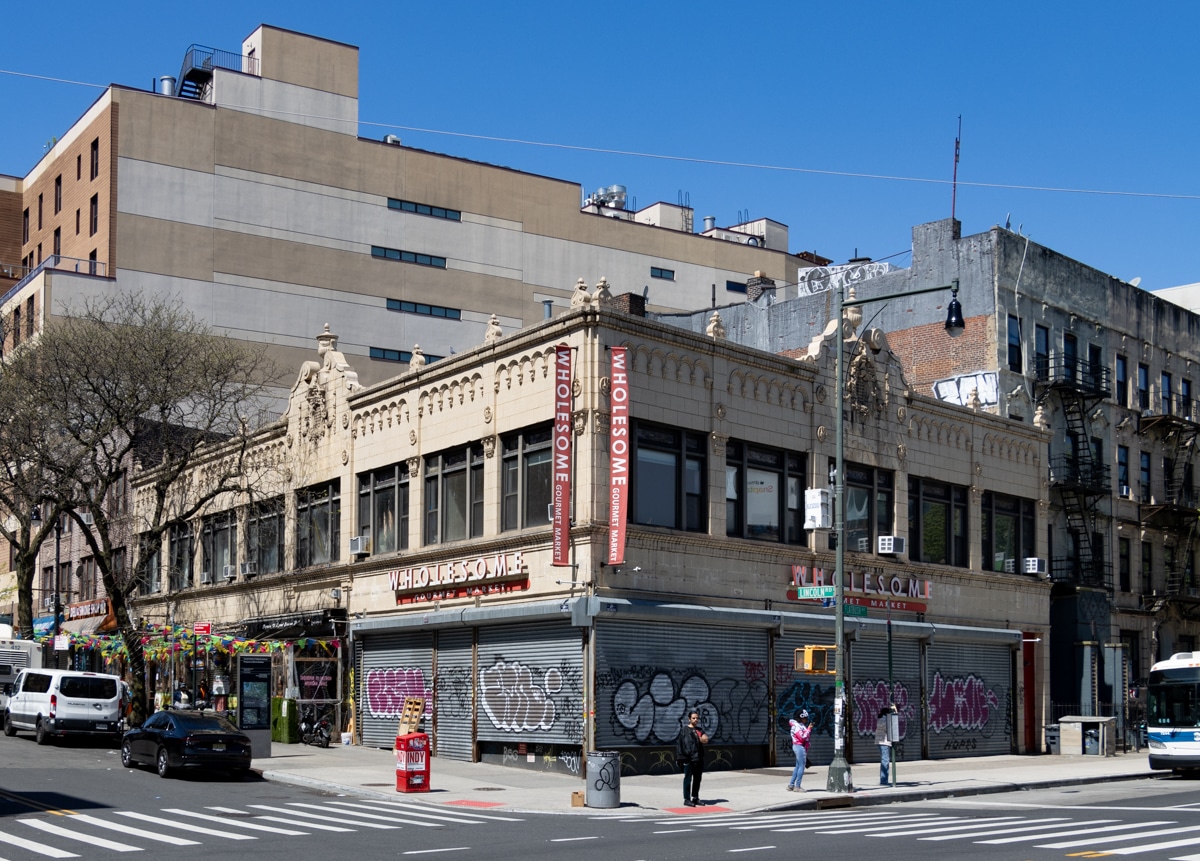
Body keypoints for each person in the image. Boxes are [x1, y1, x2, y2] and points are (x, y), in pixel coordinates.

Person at [676, 710, 709, 807]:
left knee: (697, 779)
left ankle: (695, 797)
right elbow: (680, 745)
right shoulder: (684, 730)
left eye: (697, 718)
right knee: (688, 779)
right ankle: (686, 799)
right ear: (689, 719)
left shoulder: (699, 730)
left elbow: (705, 739)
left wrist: (700, 736)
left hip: (698, 758)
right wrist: (680, 758)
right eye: (693, 718)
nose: (696, 720)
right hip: (688, 759)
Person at [787, 710, 812, 791]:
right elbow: (802, 737)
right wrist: (809, 729)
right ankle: (797, 786)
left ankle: (791, 785)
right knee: (801, 766)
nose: (806, 719)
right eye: (805, 718)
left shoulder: (798, 725)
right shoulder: (797, 726)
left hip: (798, 746)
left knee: (798, 766)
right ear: (801, 718)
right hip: (799, 746)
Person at [875, 706, 894, 785]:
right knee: (885, 761)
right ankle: (884, 780)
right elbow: (889, 729)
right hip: (885, 742)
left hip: (879, 742)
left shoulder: (880, 719)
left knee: (884, 761)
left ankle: (883, 779)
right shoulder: (885, 720)